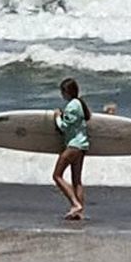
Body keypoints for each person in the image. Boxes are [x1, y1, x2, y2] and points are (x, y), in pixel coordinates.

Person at [53, 77, 90, 221]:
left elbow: (64, 127)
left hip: (73, 146)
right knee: (77, 180)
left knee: (57, 175)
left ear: (66, 91)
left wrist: (57, 117)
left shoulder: (71, 106)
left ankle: (75, 204)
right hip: (82, 146)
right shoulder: (80, 104)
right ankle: (79, 212)